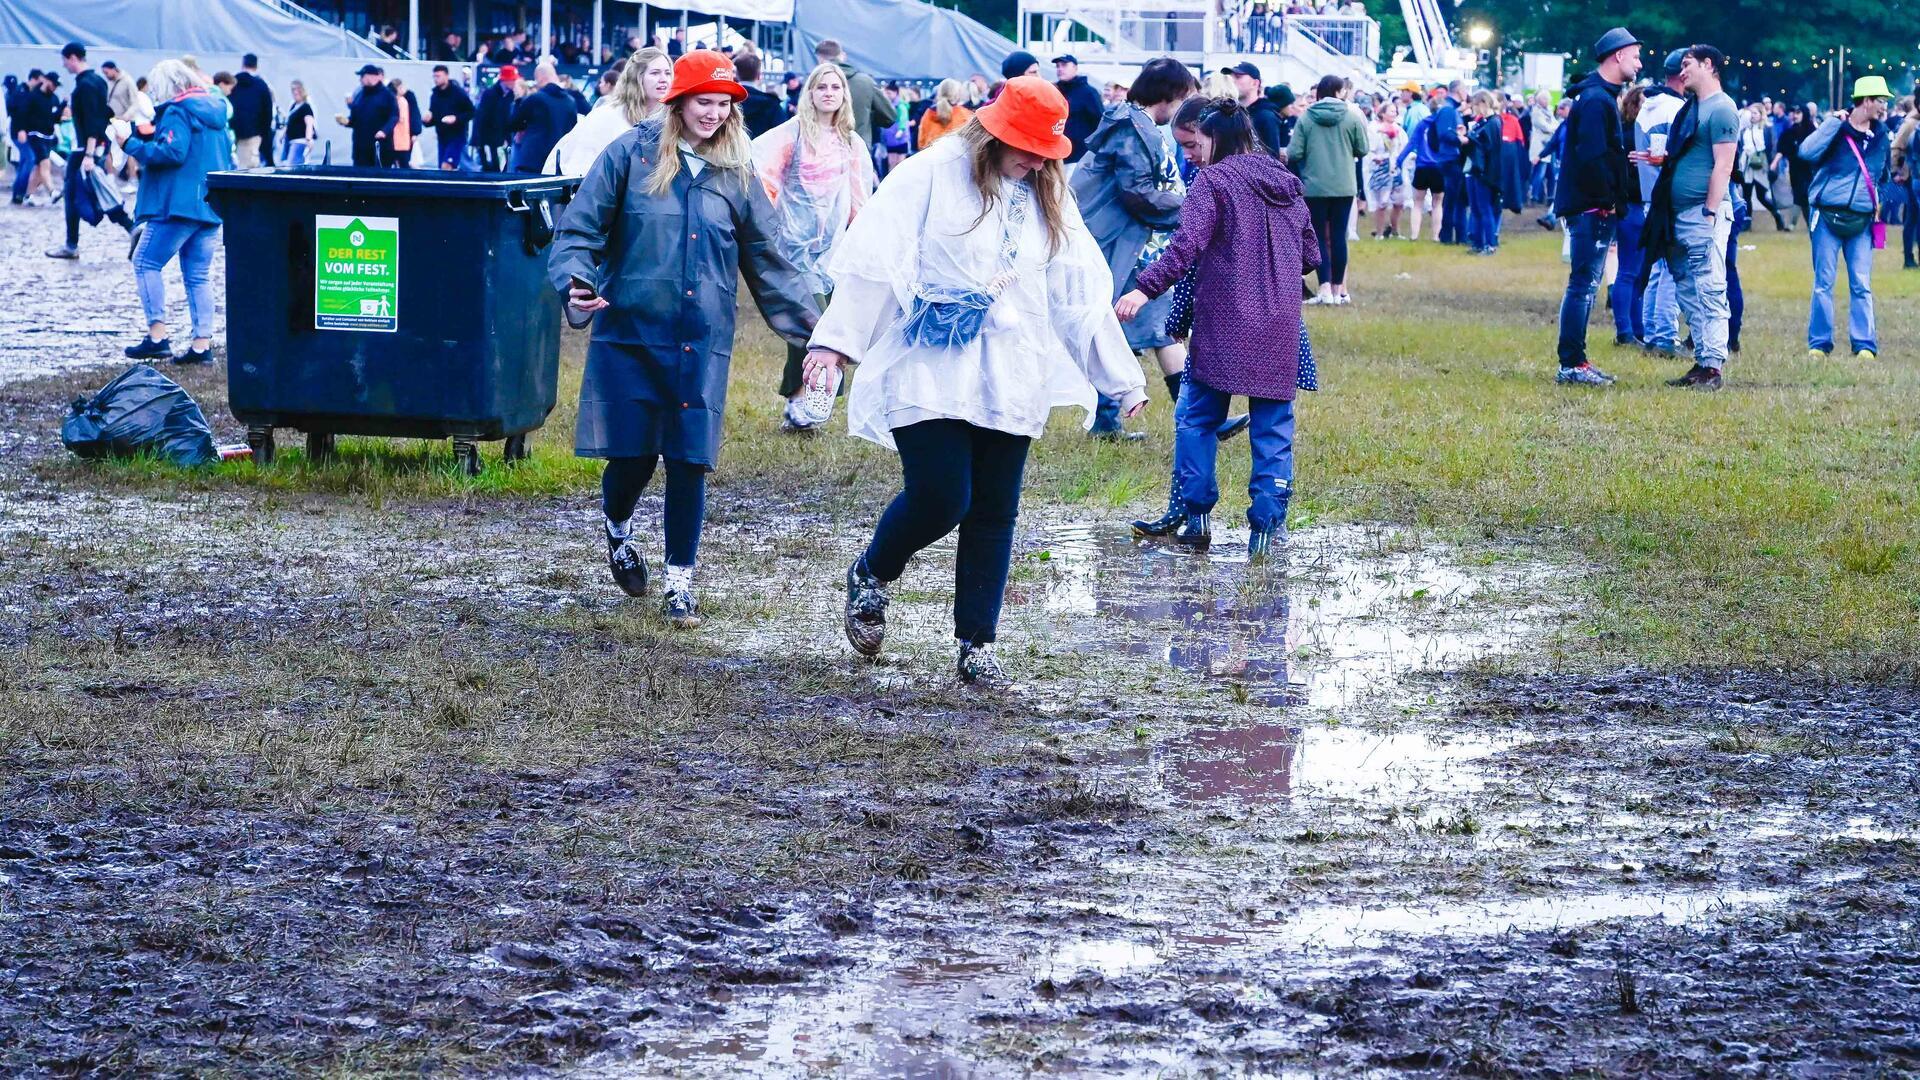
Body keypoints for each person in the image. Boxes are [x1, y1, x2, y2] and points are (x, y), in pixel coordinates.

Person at [802, 77, 1146, 684]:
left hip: (1013, 366)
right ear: (991, 131)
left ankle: (976, 644)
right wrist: (835, 344)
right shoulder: (929, 172)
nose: (1034, 160)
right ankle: (872, 572)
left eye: (1045, 151)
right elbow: (877, 263)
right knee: (942, 495)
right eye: (1024, 146)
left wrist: (1119, 379)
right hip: (933, 359)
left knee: (994, 508)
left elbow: (1075, 291)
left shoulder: (1048, 193)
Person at [550, 50, 819, 628]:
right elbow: (580, 229)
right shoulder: (630, 154)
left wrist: (819, 337)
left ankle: (680, 582)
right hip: (632, 334)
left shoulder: (736, 174)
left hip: (702, 339)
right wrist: (576, 282)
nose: (714, 114)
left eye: (724, 105)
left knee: (690, 458)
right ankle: (618, 528)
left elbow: (770, 264)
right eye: (704, 101)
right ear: (677, 101)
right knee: (633, 457)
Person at [1115, 97, 1316, 561]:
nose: (1191, 153)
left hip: (1223, 320)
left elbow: (1186, 244)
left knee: (1197, 419)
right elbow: (1311, 257)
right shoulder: (1287, 183)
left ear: (1215, 138)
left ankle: (1197, 515)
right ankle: (1266, 528)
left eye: (1195, 142)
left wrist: (1144, 289)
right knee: (1274, 427)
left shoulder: (1213, 182)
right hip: (1280, 324)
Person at [1073, 58, 1229, 446]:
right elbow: (1138, 194)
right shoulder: (1131, 129)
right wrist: (1195, 207)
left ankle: (1123, 420)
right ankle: (1195, 419)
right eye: (1186, 98)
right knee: (1142, 326)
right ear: (1172, 94)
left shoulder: (1132, 124)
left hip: (1126, 242)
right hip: (1117, 241)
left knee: (1148, 327)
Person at [750, 61, 874, 431]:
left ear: (843, 95)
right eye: (822, 87)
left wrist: (859, 237)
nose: (829, 93)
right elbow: (765, 177)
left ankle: (814, 400)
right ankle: (798, 398)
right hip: (793, 247)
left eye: (835, 88)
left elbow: (857, 194)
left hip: (833, 250)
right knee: (809, 323)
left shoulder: (850, 142)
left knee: (831, 324)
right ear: (810, 93)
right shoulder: (792, 135)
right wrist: (766, 229)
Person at [114, 59, 231, 366]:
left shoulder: (178, 110)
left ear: (170, 85)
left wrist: (130, 144)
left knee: (144, 261)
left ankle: (157, 337)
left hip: (178, 206)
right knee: (198, 276)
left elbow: (173, 152)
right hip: (210, 205)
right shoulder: (215, 110)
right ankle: (201, 345)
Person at [1639, 44, 1738, 391]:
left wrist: (1710, 212)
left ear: (1708, 65)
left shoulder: (1723, 109)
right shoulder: (1692, 108)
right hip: (1679, 214)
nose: (1681, 72)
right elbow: (1687, 156)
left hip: (1703, 213)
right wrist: (1661, 161)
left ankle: (1713, 365)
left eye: (1687, 65)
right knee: (1687, 289)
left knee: (1710, 288)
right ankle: (1702, 360)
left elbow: (1723, 165)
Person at [1549, 27, 1640, 386]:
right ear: (1617, 56)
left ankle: (1576, 361)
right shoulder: (1595, 100)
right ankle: (1571, 364)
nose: (1639, 62)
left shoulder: (1599, 97)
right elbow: (1591, 157)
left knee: (1585, 283)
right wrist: (1605, 201)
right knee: (1583, 285)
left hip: (1593, 206)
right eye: (1635, 55)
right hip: (1591, 208)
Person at [1801, 76, 1893, 361]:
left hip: (1862, 222)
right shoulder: (1836, 130)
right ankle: (1819, 343)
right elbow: (1806, 152)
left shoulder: (1881, 136)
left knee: (1861, 284)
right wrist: (1830, 123)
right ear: (1865, 101)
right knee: (1823, 283)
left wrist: (1878, 201)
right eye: (1880, 101)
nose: (1883, 107)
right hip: (1827, 216)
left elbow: (1883, 174)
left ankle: (1865, 345)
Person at [47, 42, 137, 260]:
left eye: (65, 59)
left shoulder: (85, 85)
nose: (64, 65)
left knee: (77, 194)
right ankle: (130, 227)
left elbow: (91, 121)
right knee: (95, 192)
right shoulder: (97, 81)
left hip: (84, 150)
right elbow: (103, 114)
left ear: (73, 57)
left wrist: (88, 154)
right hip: (93, 147)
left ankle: (72, 244)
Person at [1289, 74, 1368, 302]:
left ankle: (1323, 287)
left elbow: (1295, 152)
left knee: (1319, 238)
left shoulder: (1306, 118)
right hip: (1344, 185)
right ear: (1339, 92)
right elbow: (1362, 148)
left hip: (1314, 186)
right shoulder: (1352, 117)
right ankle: (1337, 289)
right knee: (1339, 235)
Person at [1634, 50, 1688, 359]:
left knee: (1657, 268)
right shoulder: (1675, 109)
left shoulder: (1647, 107)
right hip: (1667, 198)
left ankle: (1653, 333)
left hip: (1648, 196)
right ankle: (1666, 336)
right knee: (1670, 269)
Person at [813, 39, 893, 145]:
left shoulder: (813, 83)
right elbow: (889, 117)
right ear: (842, 56)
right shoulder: (866, 82)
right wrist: (867, 118)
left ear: (820, 58)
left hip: (821, 151)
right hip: (859, 151)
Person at [508, 62, 577, 172]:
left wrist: (518, 101)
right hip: (559, 162)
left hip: (532, 161)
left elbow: (513, 124)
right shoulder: (571, 102)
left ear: (540, 78)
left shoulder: (535, 99)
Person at [1463, 90, 1504, 255]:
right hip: (1476, 171)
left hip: (1485, 172)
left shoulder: (1493, 122)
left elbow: (1489, 147)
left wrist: (1470, 139)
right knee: (1477, 208)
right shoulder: (1485, 122)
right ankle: (1479, 243)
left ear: (1483, 103)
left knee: (1484, 208)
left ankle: (1490, 244)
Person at [1428, 81, 1466, 244]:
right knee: (1453, 200)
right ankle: (1448, 236)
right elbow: (1444, 134)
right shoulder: (1448, 110)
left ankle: (1457, 235)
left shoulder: (1450, 109)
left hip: (1450, 157)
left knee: (1456, 199)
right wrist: (1460, 139)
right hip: (1450, 158)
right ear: (1459, 90)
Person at [1365, 98, 1408, 238]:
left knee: (1399, 201)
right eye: (1391, 111)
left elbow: (1404, 147)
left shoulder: (1399, 130)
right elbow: (1369, 150)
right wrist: (1375, 158)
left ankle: (1395, 230)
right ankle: (1379, 233)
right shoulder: (1374, 130)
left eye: (1395, 111)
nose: (1394, 114)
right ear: (1382, 113)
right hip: (1381, 167)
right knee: (1382, 202)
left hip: (1396, 168)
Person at [341, 64, 397, 168]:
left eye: (362, 76)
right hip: (360, 148)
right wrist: (346, 121)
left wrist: (384, 131)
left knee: (380, 179)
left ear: (372, 77)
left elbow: (394, 116)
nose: (360, 80)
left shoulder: (387, 95)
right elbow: (355, 117)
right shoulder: (360, 94)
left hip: (380, 148)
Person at [1052, 54, 1104, 166]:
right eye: (1057, 66)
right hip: (1056, 155)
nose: (1060, 69)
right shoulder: (1054, 90)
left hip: (1079, 158)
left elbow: (1100, 124)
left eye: (1064, 65)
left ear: (1075, 67)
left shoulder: (1089, 93)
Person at [1222, 62, 1282, 155]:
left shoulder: (1266, 116)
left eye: (1238, 77)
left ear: (1255, 83)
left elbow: (1273, 157)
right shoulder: (1230, 113)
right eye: (1231, 78)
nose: (1233, 81)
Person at [227, 54, 273, 168]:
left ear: (243, 64)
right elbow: (267, 114)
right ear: (256, 66)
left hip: (230, 134)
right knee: (247, 172)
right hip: (252, 135)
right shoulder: (261, 85)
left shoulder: (232, 83)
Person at [425, 65, 474, 169]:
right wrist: (427, 120)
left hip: (456, 135)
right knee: (442, 169)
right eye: (434, 76)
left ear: (446, 76)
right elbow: (435, 117)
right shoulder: (435, 94)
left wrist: (456, 119)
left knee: (446, 165)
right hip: (442, 136)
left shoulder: (458, 93)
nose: (435, 79)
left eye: (438, 76)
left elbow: (471, 112)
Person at [474, 66, 516, 172]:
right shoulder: (489, 94)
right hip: (488, 140)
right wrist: (479, 141)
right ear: (505, 80)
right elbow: (481, 117)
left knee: (503, 168)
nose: (514, 82)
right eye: (512, 79)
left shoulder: (510, 95)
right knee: (490, 168)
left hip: (503, 140)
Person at [734, 52, 784, 137]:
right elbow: (783, 134)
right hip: (763, 149)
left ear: (736, 74)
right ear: (759, 75)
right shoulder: (771, 103)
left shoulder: (728, 101)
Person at [918, 78, 973, 148]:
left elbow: (921, 139)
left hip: (932, 154)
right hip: (955, 155)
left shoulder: (929, 112)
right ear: (957, 94)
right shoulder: (964, 114)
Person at [1527, 89, 1559, 205]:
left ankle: (1550, 197)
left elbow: (1555, 124)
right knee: (1539, 173)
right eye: (1546, 99)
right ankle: (1534, 196)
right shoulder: (1536, 112)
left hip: (1550, 146)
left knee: (1551, 173)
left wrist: (1553, 127)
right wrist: (1554, 128)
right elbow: (1544, 126)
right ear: (1540, 100)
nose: (1548, 101)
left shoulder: (1549, 111)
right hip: (1540, 147)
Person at [385, 77, 421, 167]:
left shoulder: (402, 100)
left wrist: (415, 132)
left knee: (401, 163)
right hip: (401, 139)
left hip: (400, 139)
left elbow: (411, 117)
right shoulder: (401, 101)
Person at [283, 80, 316, 165]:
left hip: (300, 141)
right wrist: (283, 135)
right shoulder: (293, 106)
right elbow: (289, 122)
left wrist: (309, 139)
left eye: (297, 90)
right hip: (291, 141)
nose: (295, 92)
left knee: (292, 165)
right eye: (293, 90)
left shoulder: (306, 107)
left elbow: (309, 123)